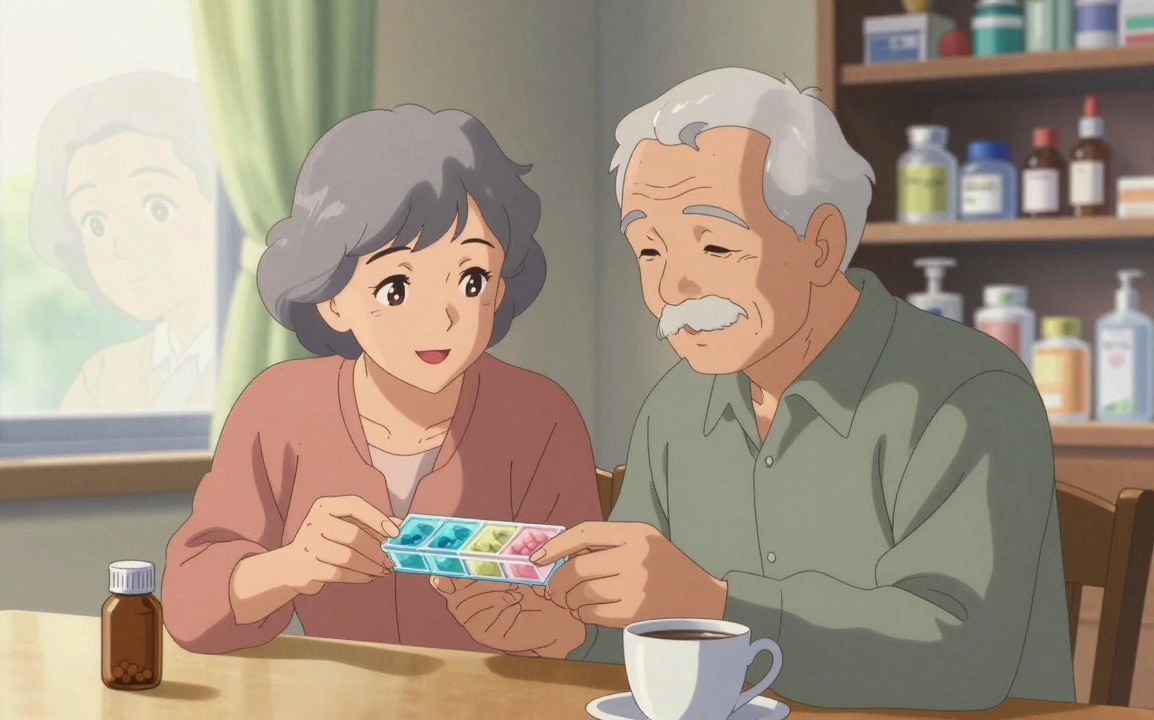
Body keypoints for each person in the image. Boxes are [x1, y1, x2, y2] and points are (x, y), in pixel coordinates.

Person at [433, 68, 1076, 711]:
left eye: (714, 246)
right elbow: (649, 630)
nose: (672, 287)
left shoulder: (970, 393)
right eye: (649, 252)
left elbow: (964, 658)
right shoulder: (675, 409)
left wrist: (713, 600)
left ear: (820, 245)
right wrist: (567, 632)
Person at [162, 104, 601, 656]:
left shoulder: (538, 415)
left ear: (499, 286)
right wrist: (292, 566)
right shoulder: (279, 408)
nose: (441, 319)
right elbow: (188, 606)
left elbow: (588, 617)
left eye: (470, 279)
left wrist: (544, 631)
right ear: (331, 298)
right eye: (396, 287)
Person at [29, 71, 218, 412]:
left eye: (158, 208)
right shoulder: (102, 375)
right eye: (95, 223)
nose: (123, 247)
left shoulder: (271, 355)